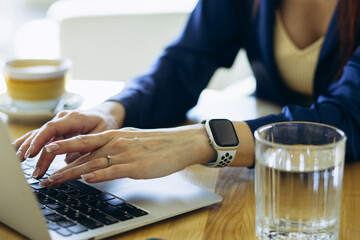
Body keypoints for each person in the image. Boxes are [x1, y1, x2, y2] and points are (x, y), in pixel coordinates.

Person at [14, 0, 360, 188]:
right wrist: (113, 110)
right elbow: (186, 61)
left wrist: (201, 140)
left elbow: (347, 116)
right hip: (273, 176)